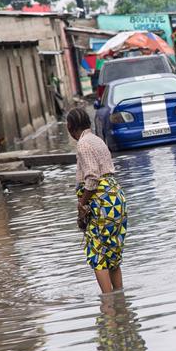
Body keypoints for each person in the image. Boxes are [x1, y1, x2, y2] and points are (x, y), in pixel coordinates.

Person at [68, 107, 127, 294]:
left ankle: (108, 305)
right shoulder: (97, 140)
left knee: (98, 254)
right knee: (113, 253)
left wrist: (81, 203)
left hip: (101, 202)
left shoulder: (83, 144)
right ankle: (120, 300)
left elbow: (92, 178)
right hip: (116, 198)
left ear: (70, 127)